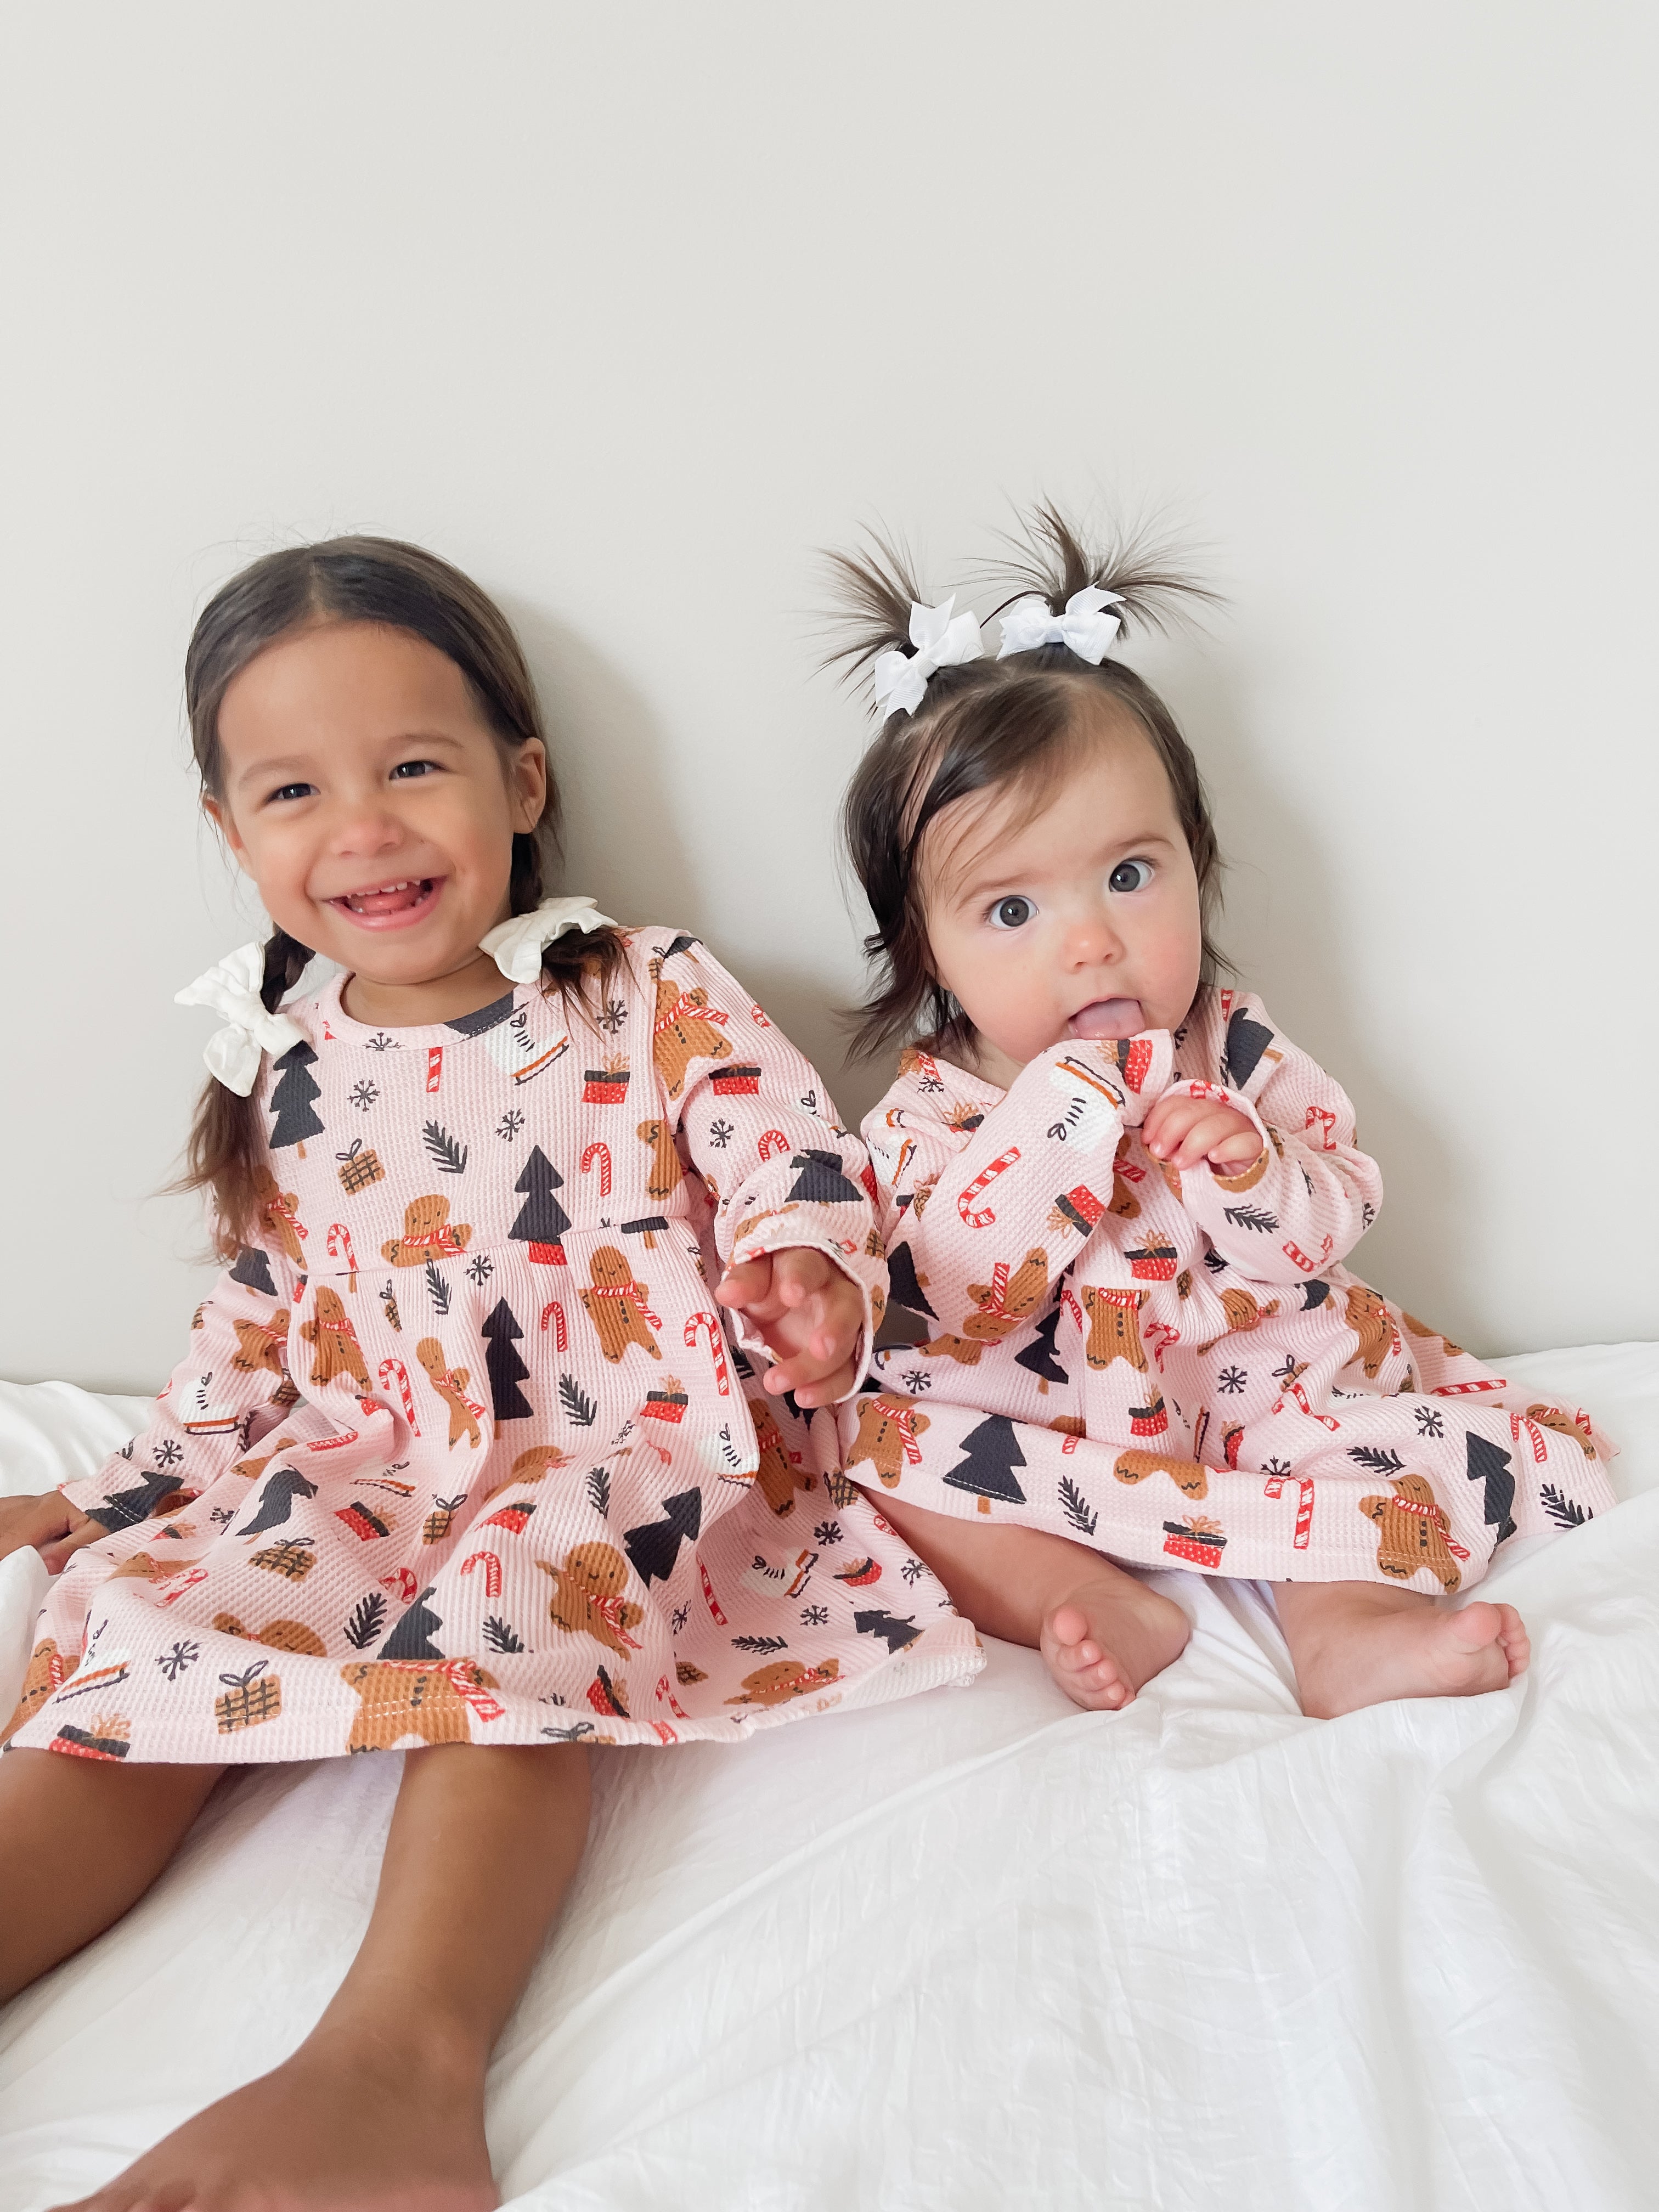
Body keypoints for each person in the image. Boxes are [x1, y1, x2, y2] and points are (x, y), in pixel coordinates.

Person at [0, 537, 977, 2209]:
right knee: (170, 1614)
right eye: (294, 791)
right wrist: (124, 1498)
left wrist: (807, 1270)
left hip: (621, 1449)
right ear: (234, 836)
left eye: (414, 767)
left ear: (521, 782)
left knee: (520, 1596)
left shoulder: (644, 992)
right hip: (370, 1458)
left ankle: (393, 2059)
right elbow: (256, 1325)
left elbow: (789, 1162)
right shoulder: (281, 1051)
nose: (363, 827)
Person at [828, 505, 1616, 1723]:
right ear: (926, 953)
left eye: (1131, 876)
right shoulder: (934, 1111)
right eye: (1012, 912)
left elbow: (1333, 1217)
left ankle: (1345, 1625)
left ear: (1199, 865)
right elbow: (959, 1292)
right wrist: (1057, 1118)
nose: (1092, 941)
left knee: (1371, 1447)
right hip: (1050, 1437)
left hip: (1254, 1398)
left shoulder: (1231, 1045)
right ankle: (1076, 1597)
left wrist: (1254, 1173)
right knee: (875, 1459)